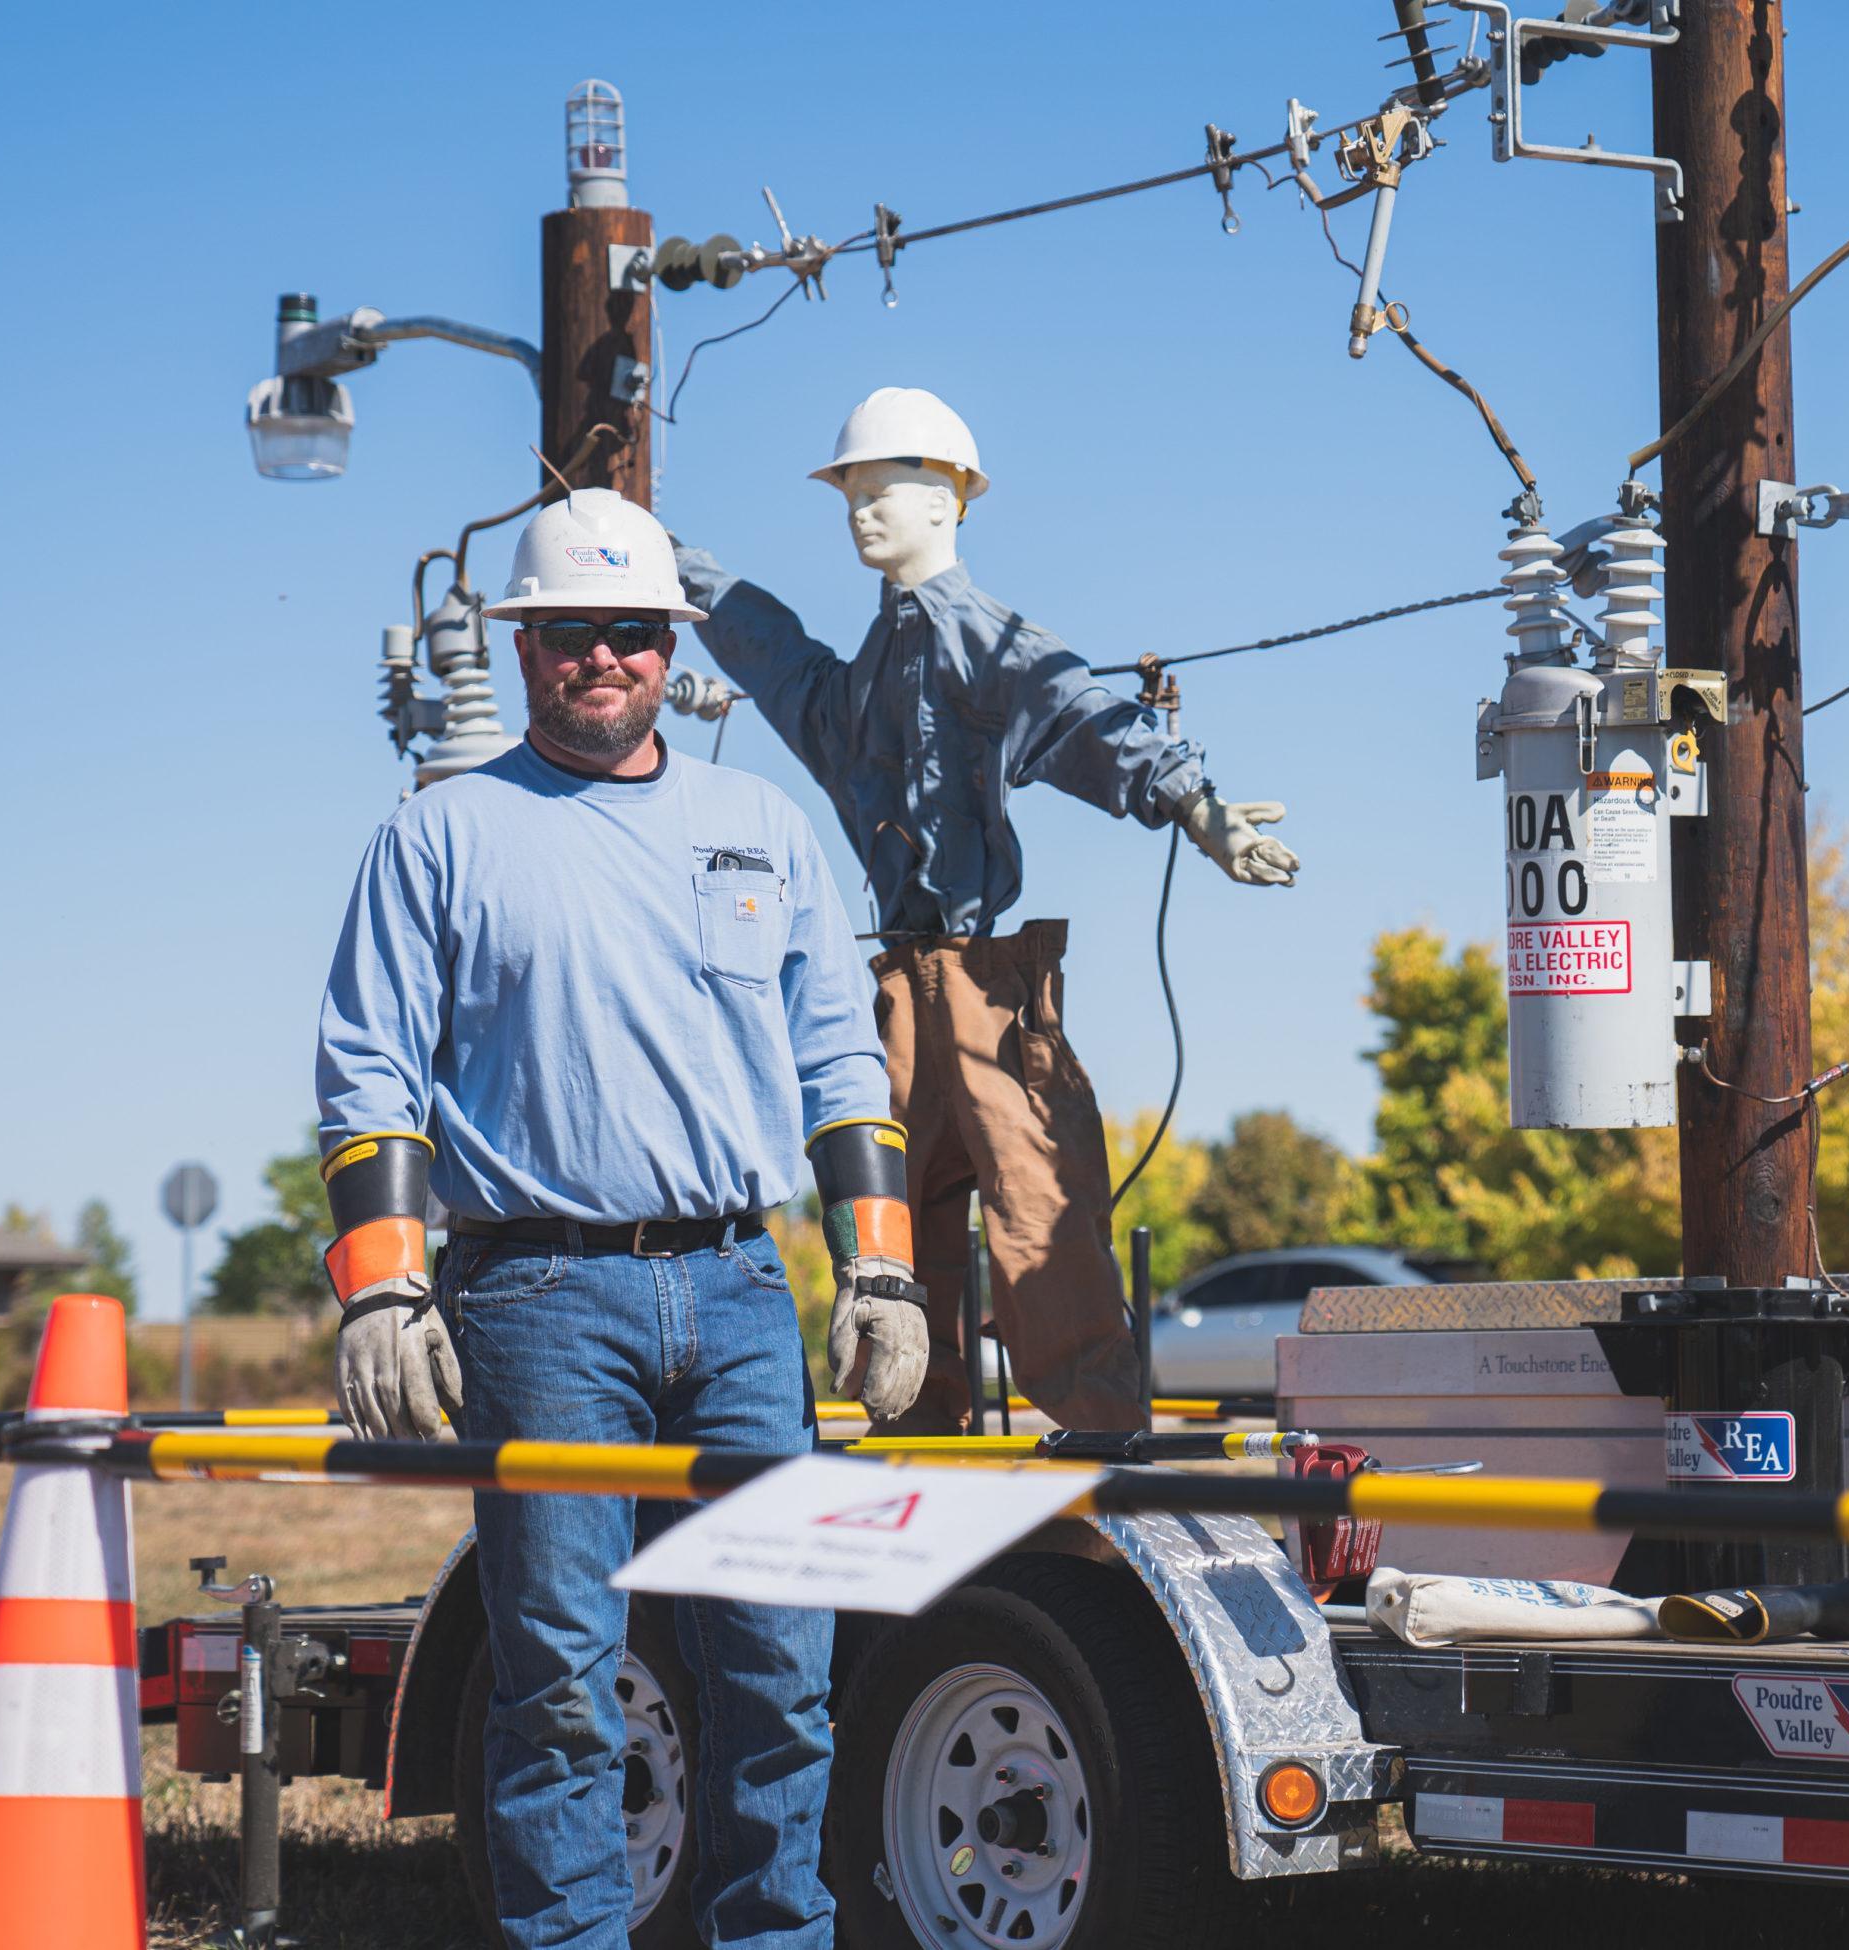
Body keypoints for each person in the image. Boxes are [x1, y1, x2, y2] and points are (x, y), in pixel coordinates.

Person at [313, 485, 927, 1949]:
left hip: (734, 1292)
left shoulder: (762, 826)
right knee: (563, 1682)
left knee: (781, 1670)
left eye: (632, 630)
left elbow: (844, 1063)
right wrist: (387, 1291)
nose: (604, 655)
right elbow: (367, 1071)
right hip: (534, 1301)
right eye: (571, 630)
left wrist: (883, 1270)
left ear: (671, 644)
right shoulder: (441, 838)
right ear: (524, 647)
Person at [674, 387, 1302, 1435]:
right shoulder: (863, 678)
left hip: (980, 989)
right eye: (851, 494)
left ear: (951, 499)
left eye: (885, 489)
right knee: (890, 1235)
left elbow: (1077, 707)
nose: (860, 510)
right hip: (894, 1000)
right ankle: (918, 1437)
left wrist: (1198, 807)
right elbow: (767, 647)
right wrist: (658, 560)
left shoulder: (984, 639)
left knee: (1039, 1217)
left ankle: (1098, 1451)